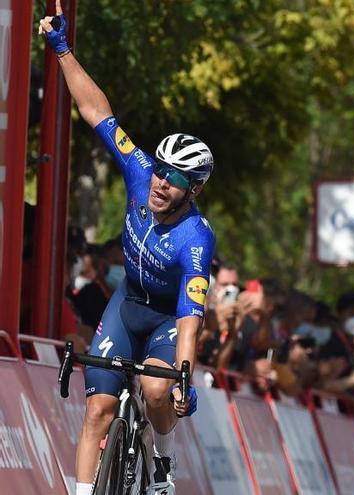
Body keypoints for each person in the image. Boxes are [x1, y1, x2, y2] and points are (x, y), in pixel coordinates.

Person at [39, 5, 215, 494]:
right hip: (128, 303)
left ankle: (162, 463)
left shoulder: (196, 239)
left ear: (194, 189)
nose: (162, 181)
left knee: (156, 390)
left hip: (166, 319)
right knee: (98, 408)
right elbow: (97, 112)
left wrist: (183, 379)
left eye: (176, 177)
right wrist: (62, 51)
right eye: (161, 168)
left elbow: (190, 319)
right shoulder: (140, 173)